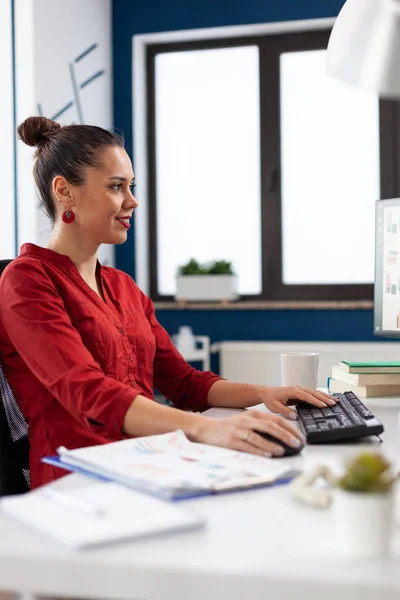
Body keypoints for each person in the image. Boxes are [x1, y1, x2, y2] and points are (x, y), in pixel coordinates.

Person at [0, 117, 334, 489]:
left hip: (152, 464)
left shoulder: (122, 286)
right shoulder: (27, 281)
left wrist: (265, 393)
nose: (132, 201)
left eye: (131, 186)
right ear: (64, 191)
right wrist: (207, 428)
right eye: (116, 187)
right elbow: (87, 391)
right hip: (80, 483)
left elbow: (185, 383)